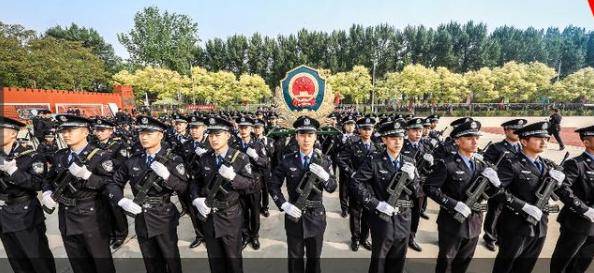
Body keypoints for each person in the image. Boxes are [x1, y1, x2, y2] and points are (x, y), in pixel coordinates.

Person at [42, 114, 116, 273]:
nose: (66, 134)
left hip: (91, 216)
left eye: (71, 130)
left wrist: (88, 176)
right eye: (63, 131)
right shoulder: (60, 155)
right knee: (79, 265)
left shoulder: (100, 156)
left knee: (101, 263)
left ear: (85, 132)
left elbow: (110, 186)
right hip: (66, 217)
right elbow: (48, 178)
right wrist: (47, 192)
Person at [425, 120, 501, 273]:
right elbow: (429, 188)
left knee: (464, 263)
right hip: (451, 223)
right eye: (469, 138)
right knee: (446, 263)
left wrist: (496, 185)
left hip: (474, 223)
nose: (474, 141)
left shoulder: (482, 165)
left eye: (476, 138)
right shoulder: (447, 164)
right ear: (458, 141)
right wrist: (453, 204)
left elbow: (490, 195)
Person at [492, 121, 566, 273]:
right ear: (524, 141)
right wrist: (523, 206)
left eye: (546, 139)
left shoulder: (547, 165)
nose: (544, 142)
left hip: (540, 226)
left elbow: (555, 195)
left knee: (525, 267)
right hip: (516, 226)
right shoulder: (511, 163)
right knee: (506, 267)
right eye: (538, 138)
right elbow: (497, 191)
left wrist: (558, 184)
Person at [269, 116, 337, 273]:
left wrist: (325, 177)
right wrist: (283, 204)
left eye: (310, 135)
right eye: (302, 135)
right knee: (295, 259)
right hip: (294, 216)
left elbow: (332, 187)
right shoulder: (287, 160)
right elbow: (273, 185)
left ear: (315, 137)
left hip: (316, 216)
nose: (306, 139)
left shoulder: (324, 161)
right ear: (296, 137)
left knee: (314, 260)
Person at [351, 119, 419, 273]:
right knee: (379, 261)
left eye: (400, 138)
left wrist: (413, 178)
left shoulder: (409, 161)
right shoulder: (374, 161)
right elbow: (356, 183)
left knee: (398, 261)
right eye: (393, 138)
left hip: (403, 219)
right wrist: (375, 204)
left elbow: (416, 192)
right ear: (384, 140)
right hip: (382, 219)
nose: (398, 142)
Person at [190, 116, 255, 273]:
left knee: (233, 260)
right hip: (209, 217)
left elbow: (251, 185)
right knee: (215, 260)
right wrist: (196, 199)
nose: (213, 139)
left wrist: (234, 177)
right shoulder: (205, 158)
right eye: (211, 135)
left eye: (218, 135)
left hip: (230, 216)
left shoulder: (240, 158)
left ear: (228, 135)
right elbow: (195, 182)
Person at [0, 116, 56, 273]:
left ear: (13, 134)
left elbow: (37, 183)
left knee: (37, 258)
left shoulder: (30, 156)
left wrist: (14, 172)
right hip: (3, 214)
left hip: (24, 213)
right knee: (16, 259)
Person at [550, 125, 594, 273]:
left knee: (582, 263)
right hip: (577, 223)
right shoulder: (576, 164)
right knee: (563, 262)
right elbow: (563, 189)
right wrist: (585, 210)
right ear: (586, 143)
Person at [481, 118, 526, 251]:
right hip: (498, 186)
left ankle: (500, 236)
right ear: (506, 131)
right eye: (514, 129)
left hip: (515, 186)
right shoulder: (496, 147)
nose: (517, 133)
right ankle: (489, 237)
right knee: (494, 212)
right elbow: (486, 164)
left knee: (508, 213)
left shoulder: (522, 147)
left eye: (520, 130)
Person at [337, 116, 377, 252]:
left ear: (373, 130)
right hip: (356, 185)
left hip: (371, 187)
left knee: (368, 214)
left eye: (369, 129)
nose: (367, 131)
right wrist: (351, 172)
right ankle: (355, 238)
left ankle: (365, 238)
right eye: (364, 129)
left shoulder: (376, 146)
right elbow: (341, 159)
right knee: (355, 213)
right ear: (359, 130)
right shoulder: (353, 145)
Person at [91, 118, 130, 249]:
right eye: (97, 130)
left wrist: (107, 164)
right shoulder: (92, 144)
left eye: (102, 130)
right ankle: (110, 233)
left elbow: (123, 163)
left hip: (114, 181)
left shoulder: (119, 145)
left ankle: (121, 233)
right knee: (103, 209)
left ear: (110, 131)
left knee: (115, 208)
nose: (99, 133)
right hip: (96, 181)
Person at [232, 116, 268, 250]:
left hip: (254, 184)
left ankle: (254, 235)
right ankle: (245, 235)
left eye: (246, 127)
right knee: (242, 212)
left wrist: (256, 157)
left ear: (251, 128)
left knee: (254, 212)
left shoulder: (258, 144)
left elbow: (265, 163)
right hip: (239, 184)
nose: (243, 130)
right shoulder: (234, 144)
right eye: (241, 127)